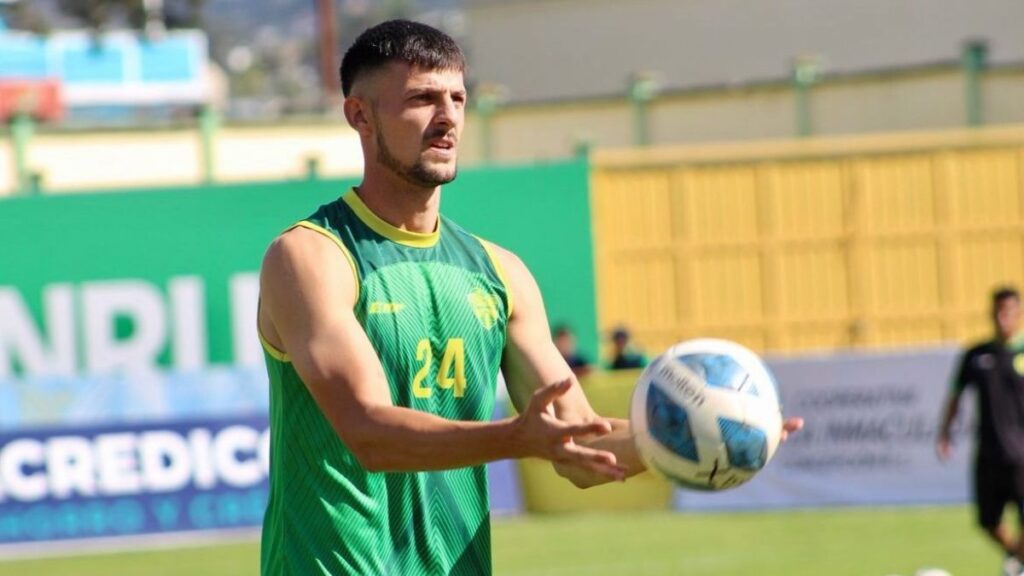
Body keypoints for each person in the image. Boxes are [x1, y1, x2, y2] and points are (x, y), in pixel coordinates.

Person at [257, 19, 801, 575]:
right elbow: (370, 434)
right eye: (422, 99)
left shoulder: (500, 273)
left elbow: (581, 451)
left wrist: (716, 430)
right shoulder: (311, 258)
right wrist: (517, 437)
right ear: (360, 116)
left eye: (458, 99)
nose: (447, 119)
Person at [937, 287, 1024, 576]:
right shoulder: (976, 355)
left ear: (1019, 314)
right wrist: (944, 433)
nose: (1003, 317)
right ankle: (1017, 558)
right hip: (989, 453)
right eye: (998, 311)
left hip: (1023, 455)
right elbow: (955, 396)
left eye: (1009, 311)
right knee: (987, 521)